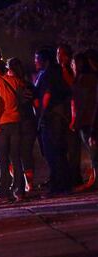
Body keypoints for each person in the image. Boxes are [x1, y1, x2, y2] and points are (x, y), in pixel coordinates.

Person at [34, 48, 73, 196]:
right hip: (55, 116)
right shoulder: (51, 73)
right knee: (58, 152)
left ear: (45, 60)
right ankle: (63, 184)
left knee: (53, 152)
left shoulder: (49, 75)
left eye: (37, 58)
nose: (35, 61)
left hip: (51, 117)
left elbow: (48, 94)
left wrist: (42, 113)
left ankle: (58, 186)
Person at [0, 60, 25, 203]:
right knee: (16, 158)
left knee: (3, 160)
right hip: (16, 121)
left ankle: (3, 194)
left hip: (2, 124)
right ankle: (20, 192)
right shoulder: (15, 80)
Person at [6, 57, 37, 192]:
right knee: (26, 154)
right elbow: (36, 104)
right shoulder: (28, 85)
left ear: (11, 71)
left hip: (17, 122)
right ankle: (29, 184)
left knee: (14, 154)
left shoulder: (11, 85)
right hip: (30, 121)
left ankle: (20, 183)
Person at [70, 52, 98, 191]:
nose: (72, 65)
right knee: (92, 151)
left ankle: (94, 180)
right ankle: (93, 178)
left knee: (93, 151)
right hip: (86, 120)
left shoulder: (85, 79)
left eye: (74, 63)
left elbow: (85, 102)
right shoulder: (85, 79)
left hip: (88, 121)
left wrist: (77, 120)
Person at [57, 44, 83, 186]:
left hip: (72, 115)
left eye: (61, 53)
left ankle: (75, 178)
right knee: (65, 148)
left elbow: (73, 90)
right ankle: (68, 177)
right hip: (64, 114)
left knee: (73, 148)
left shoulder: (71, 72)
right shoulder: (61, 70)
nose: (58, 57)